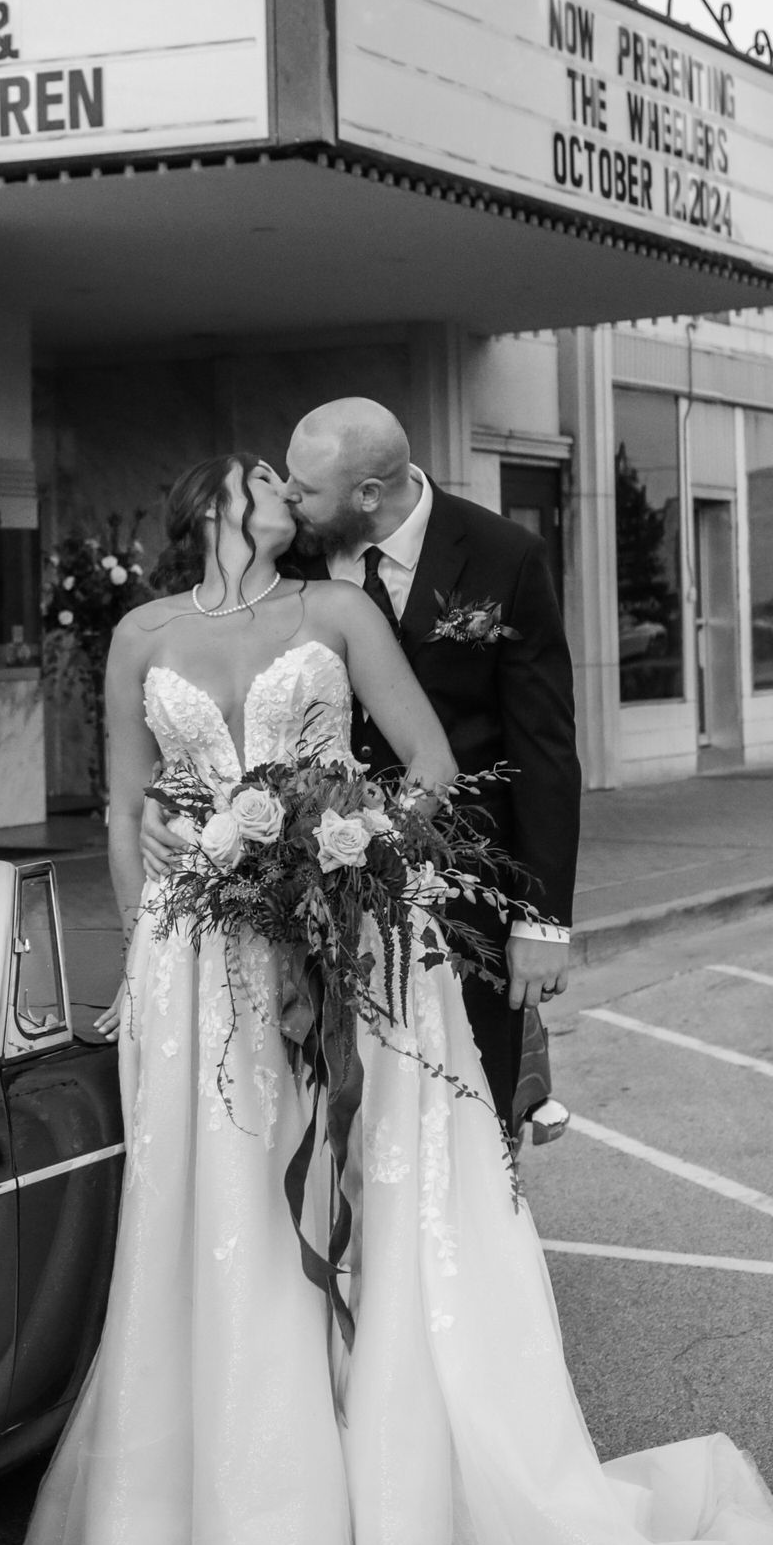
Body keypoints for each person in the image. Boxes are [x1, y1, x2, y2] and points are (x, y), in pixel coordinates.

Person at [20, 452, 773, 1545]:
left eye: (297, 473)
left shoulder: (336, 612)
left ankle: (379, 1476)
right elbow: (125, 808)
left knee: (366, 1180)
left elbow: (431, 768)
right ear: (216, 509)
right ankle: (232, 1511)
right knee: (218, 1202)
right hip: (194, 962)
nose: (289, 487)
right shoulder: (139, 634)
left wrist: (339, 853)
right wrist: (143, 953)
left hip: (346, 931)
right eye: (267, 477)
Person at [281, 397, 580, 1133]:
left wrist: (541, 921)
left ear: (369, 495)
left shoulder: (505, 555)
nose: (289, 499)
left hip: (464, 888)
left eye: (306, 487)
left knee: (470, 1101)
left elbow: (543, 744)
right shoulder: (289, 556)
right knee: (333, 1105)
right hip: (314, 885)